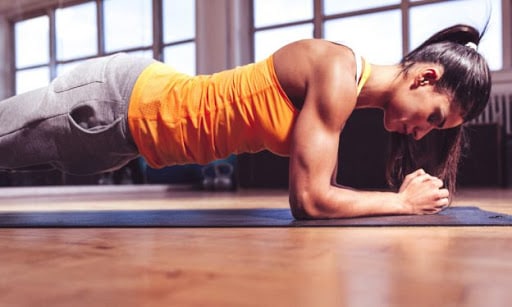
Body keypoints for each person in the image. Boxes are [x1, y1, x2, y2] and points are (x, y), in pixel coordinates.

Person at [0, 24, 491, 219]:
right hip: (115, 103)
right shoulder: (338, 73)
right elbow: (311, 201)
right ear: (427, 77)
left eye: (434, 131)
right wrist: (402, 203)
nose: (422, 131)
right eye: (432, 117)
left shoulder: (347, 92)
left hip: (125, 138)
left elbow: (324, 190)